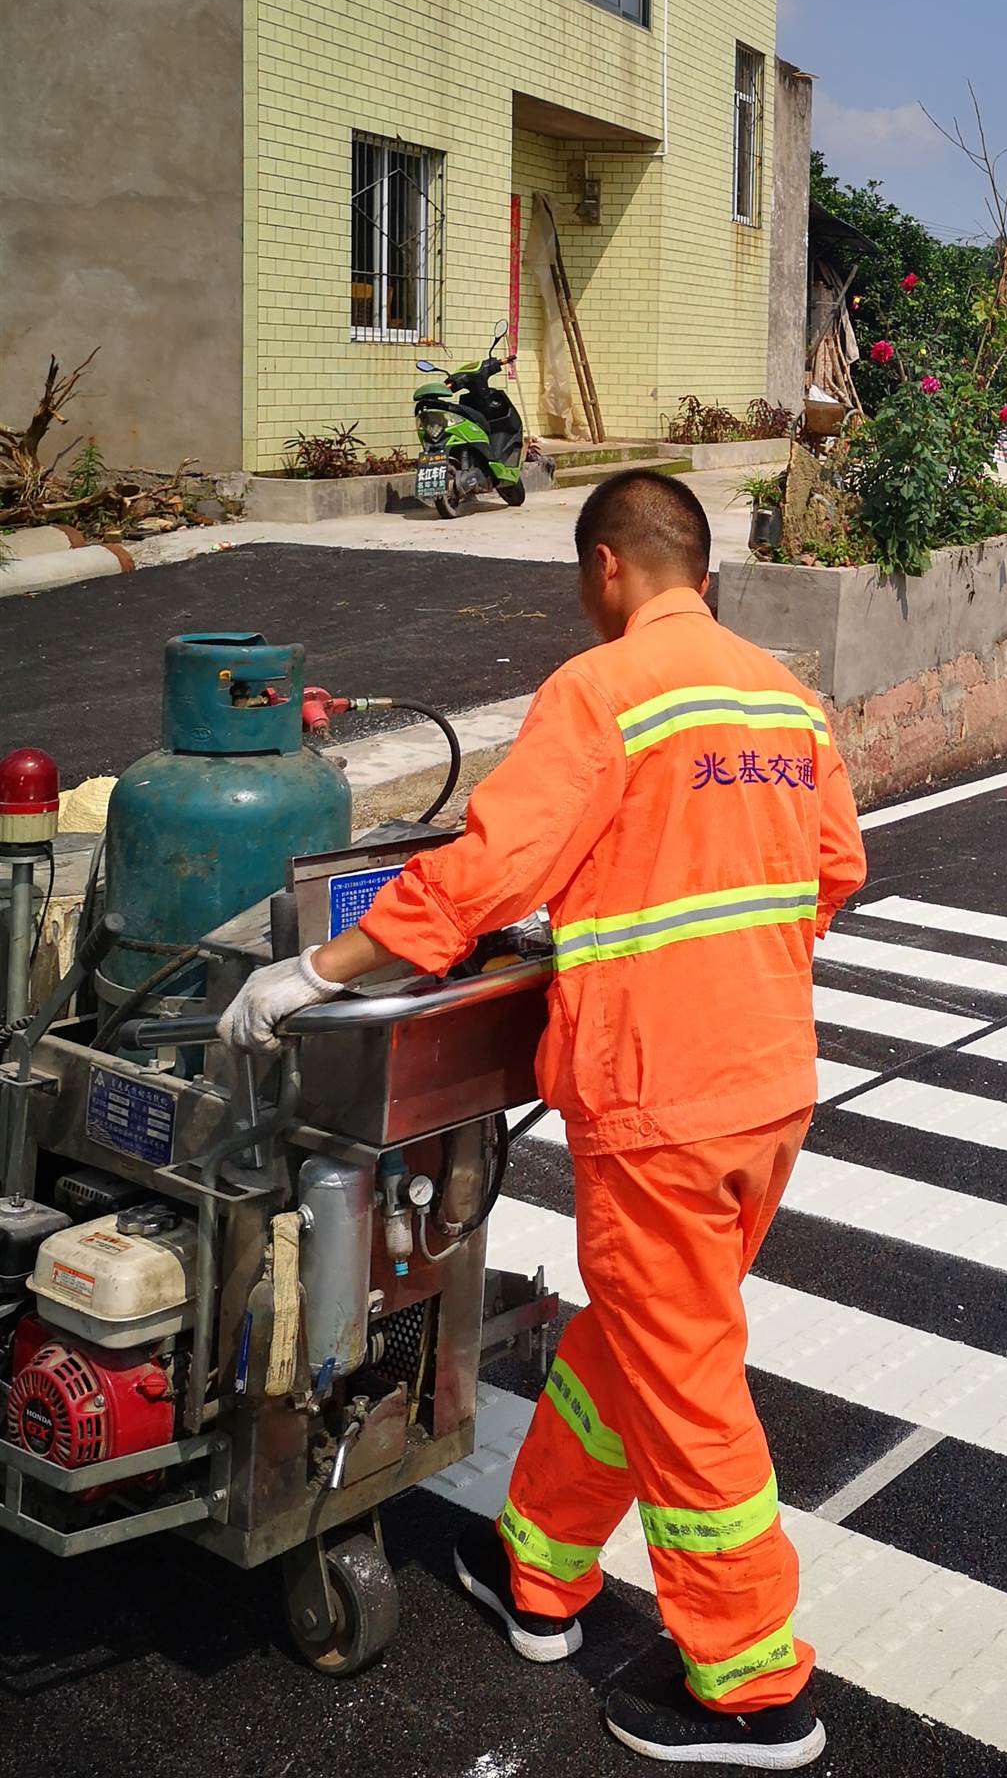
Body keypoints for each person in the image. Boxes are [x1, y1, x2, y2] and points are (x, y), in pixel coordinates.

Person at [221, 469, 866, 1769]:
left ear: (609, 571)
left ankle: (751, 1688)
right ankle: (540, 1570)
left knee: (684, 1376)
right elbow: (833, 867)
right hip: (767, 1081)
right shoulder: (786, 699)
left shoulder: (605, 690)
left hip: (661, 1097)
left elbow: (490, 864)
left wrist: (314, 972)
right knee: (641, 1341)